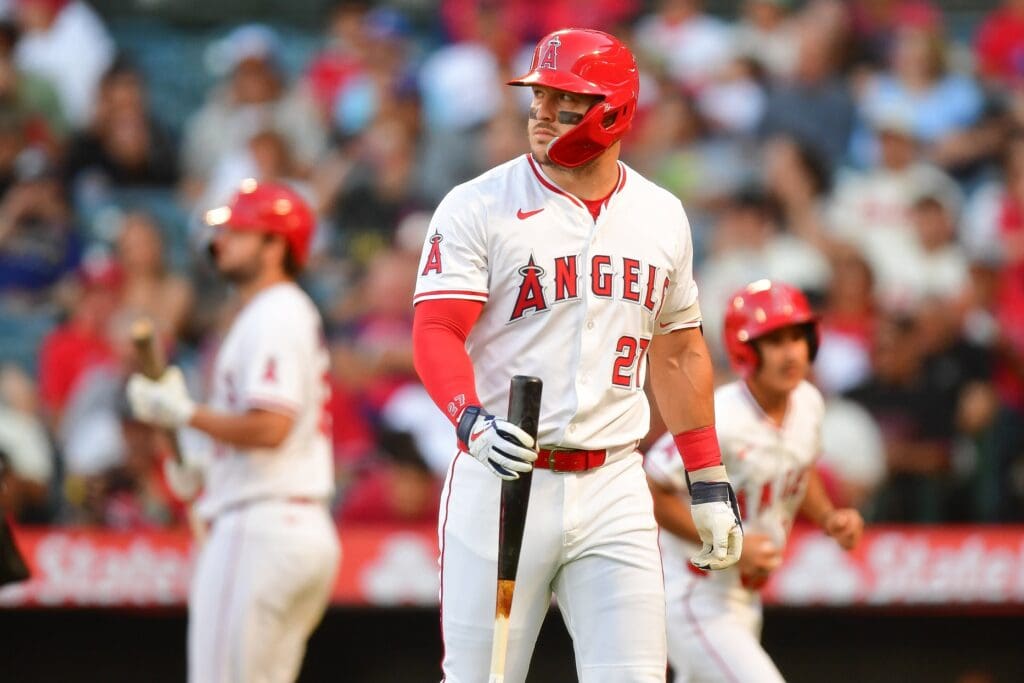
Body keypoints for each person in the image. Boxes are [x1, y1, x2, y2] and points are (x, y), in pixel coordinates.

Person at [412, 29, 743, 683]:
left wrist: (707, 477)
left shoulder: (660, 214)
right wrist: (470, 419)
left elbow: (677, 352)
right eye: (539, 96)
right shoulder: (478, 204)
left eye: (564, 100)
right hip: (503, 476)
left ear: (613, 110)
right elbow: (435, 330)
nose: (540, 112)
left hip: (616, 483)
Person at [125, 180, 339, 683]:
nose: (221, 243)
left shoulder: (276, 311)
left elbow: (271, 425)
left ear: (276, 245)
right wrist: (204, 466)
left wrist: (185, 414)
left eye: (240, 232)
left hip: (260, 527)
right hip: (283, 519)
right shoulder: (274, 312)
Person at [645, 279, 864, 682]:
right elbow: (652, 487)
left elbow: (800, 469)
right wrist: (731, 544)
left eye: (797, 337)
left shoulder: (809, 405)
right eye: (775, 340)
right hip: (694, 593)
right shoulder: (720, 416)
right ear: (746, 349)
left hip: (743, 598)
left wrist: (829, 516)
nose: (790, 352)